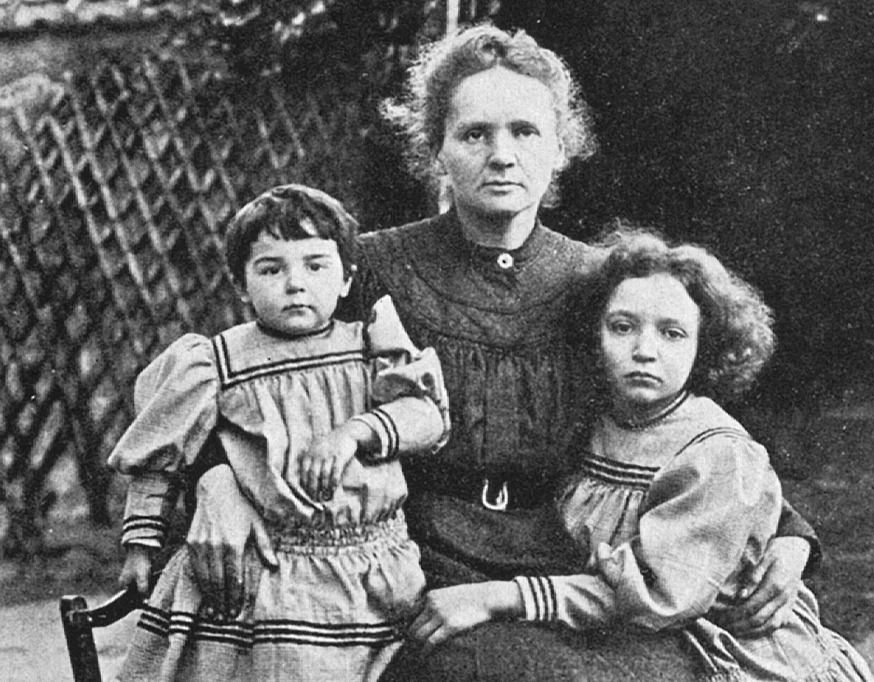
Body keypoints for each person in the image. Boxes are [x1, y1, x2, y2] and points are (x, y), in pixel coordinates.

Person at [187, 24, 823, 678]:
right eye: (474, 134)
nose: (501, 155)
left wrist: (788, 535)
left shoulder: (603, 282)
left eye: (525, 132)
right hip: (418, 559)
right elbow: (243, 376)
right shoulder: (368, 270)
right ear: (436, 149)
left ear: (560, 149)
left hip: (569, 560)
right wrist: (216, 482)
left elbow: (687, 425)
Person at [406, 228, 874, 681]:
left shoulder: (713, 451)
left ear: (704, 346)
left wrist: (502, 596)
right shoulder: (593, 420)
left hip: (729, 652)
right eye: (623, 327)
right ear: (595, 336)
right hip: (631, 632)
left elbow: (658, 592)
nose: (644, 350)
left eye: (672, 334)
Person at [108, 184, 450, 682]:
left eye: (315, 266)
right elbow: (161, 454)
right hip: (266, 575)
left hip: (373, 570)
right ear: (241, 284)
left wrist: (358, 430)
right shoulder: (217, 363)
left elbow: (427, 416)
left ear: (346, 278)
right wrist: (141, 547)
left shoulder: (369, 345)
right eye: (271, 269)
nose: (295, 284)